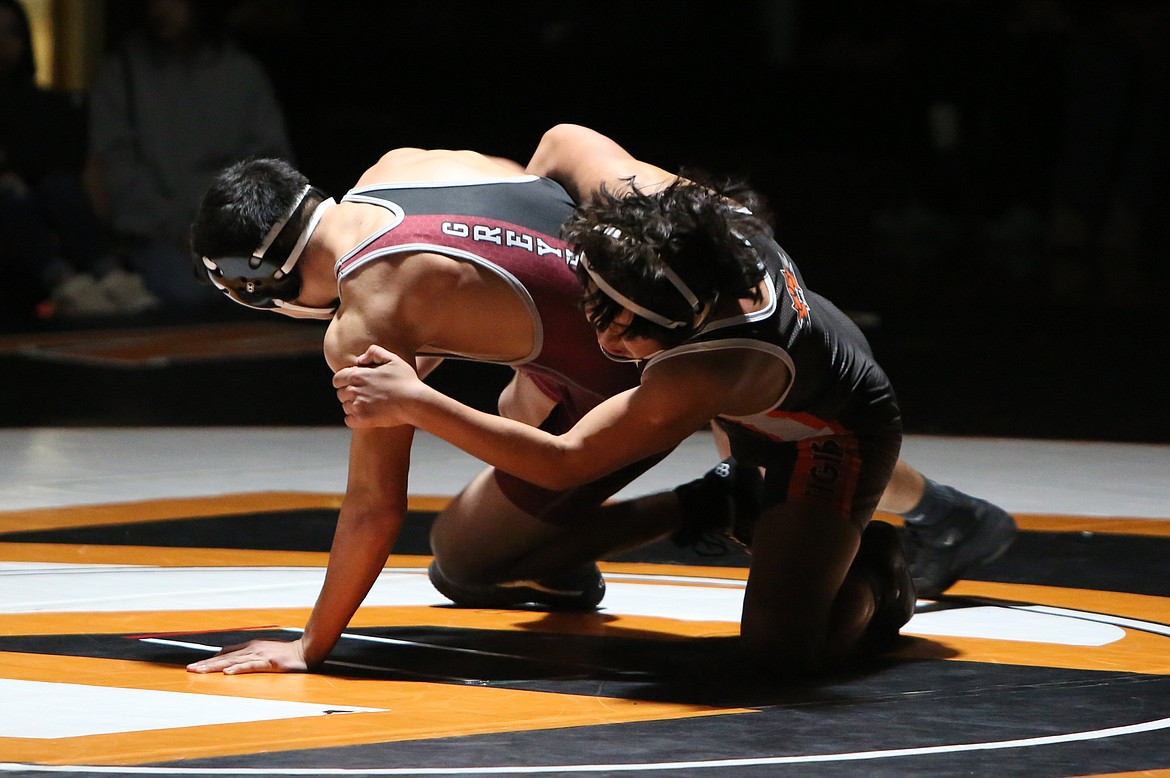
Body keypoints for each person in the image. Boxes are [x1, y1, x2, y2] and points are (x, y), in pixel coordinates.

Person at [185, 127, 1013, 677]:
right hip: (691, 340)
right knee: (466, 558)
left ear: (264, 286)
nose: (606, 328)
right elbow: (560, 146)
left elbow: (377, 505)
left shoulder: (673, 362)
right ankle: (733, 501)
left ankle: (869, 554)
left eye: (617, 320)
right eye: (599, 309)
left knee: (777, 560)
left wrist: (310, 645)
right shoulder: (400, 166)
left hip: (707, 379)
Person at [87, 0, 293, 312]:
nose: (161, 8)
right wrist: (179, 228)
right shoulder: (123, 75)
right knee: (192, 295)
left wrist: (230, 229)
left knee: (280, 292)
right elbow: (118, 170)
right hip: (156, 238)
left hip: (239, 238)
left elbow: (272, 166)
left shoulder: (241, 73)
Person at [0, 0, 155, 321]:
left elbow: (55, 156)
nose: (4, 42)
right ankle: (65, 283)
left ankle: (110, 275)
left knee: (60, 187)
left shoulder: (38, 103)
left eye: (12, 32)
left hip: (41, 194)